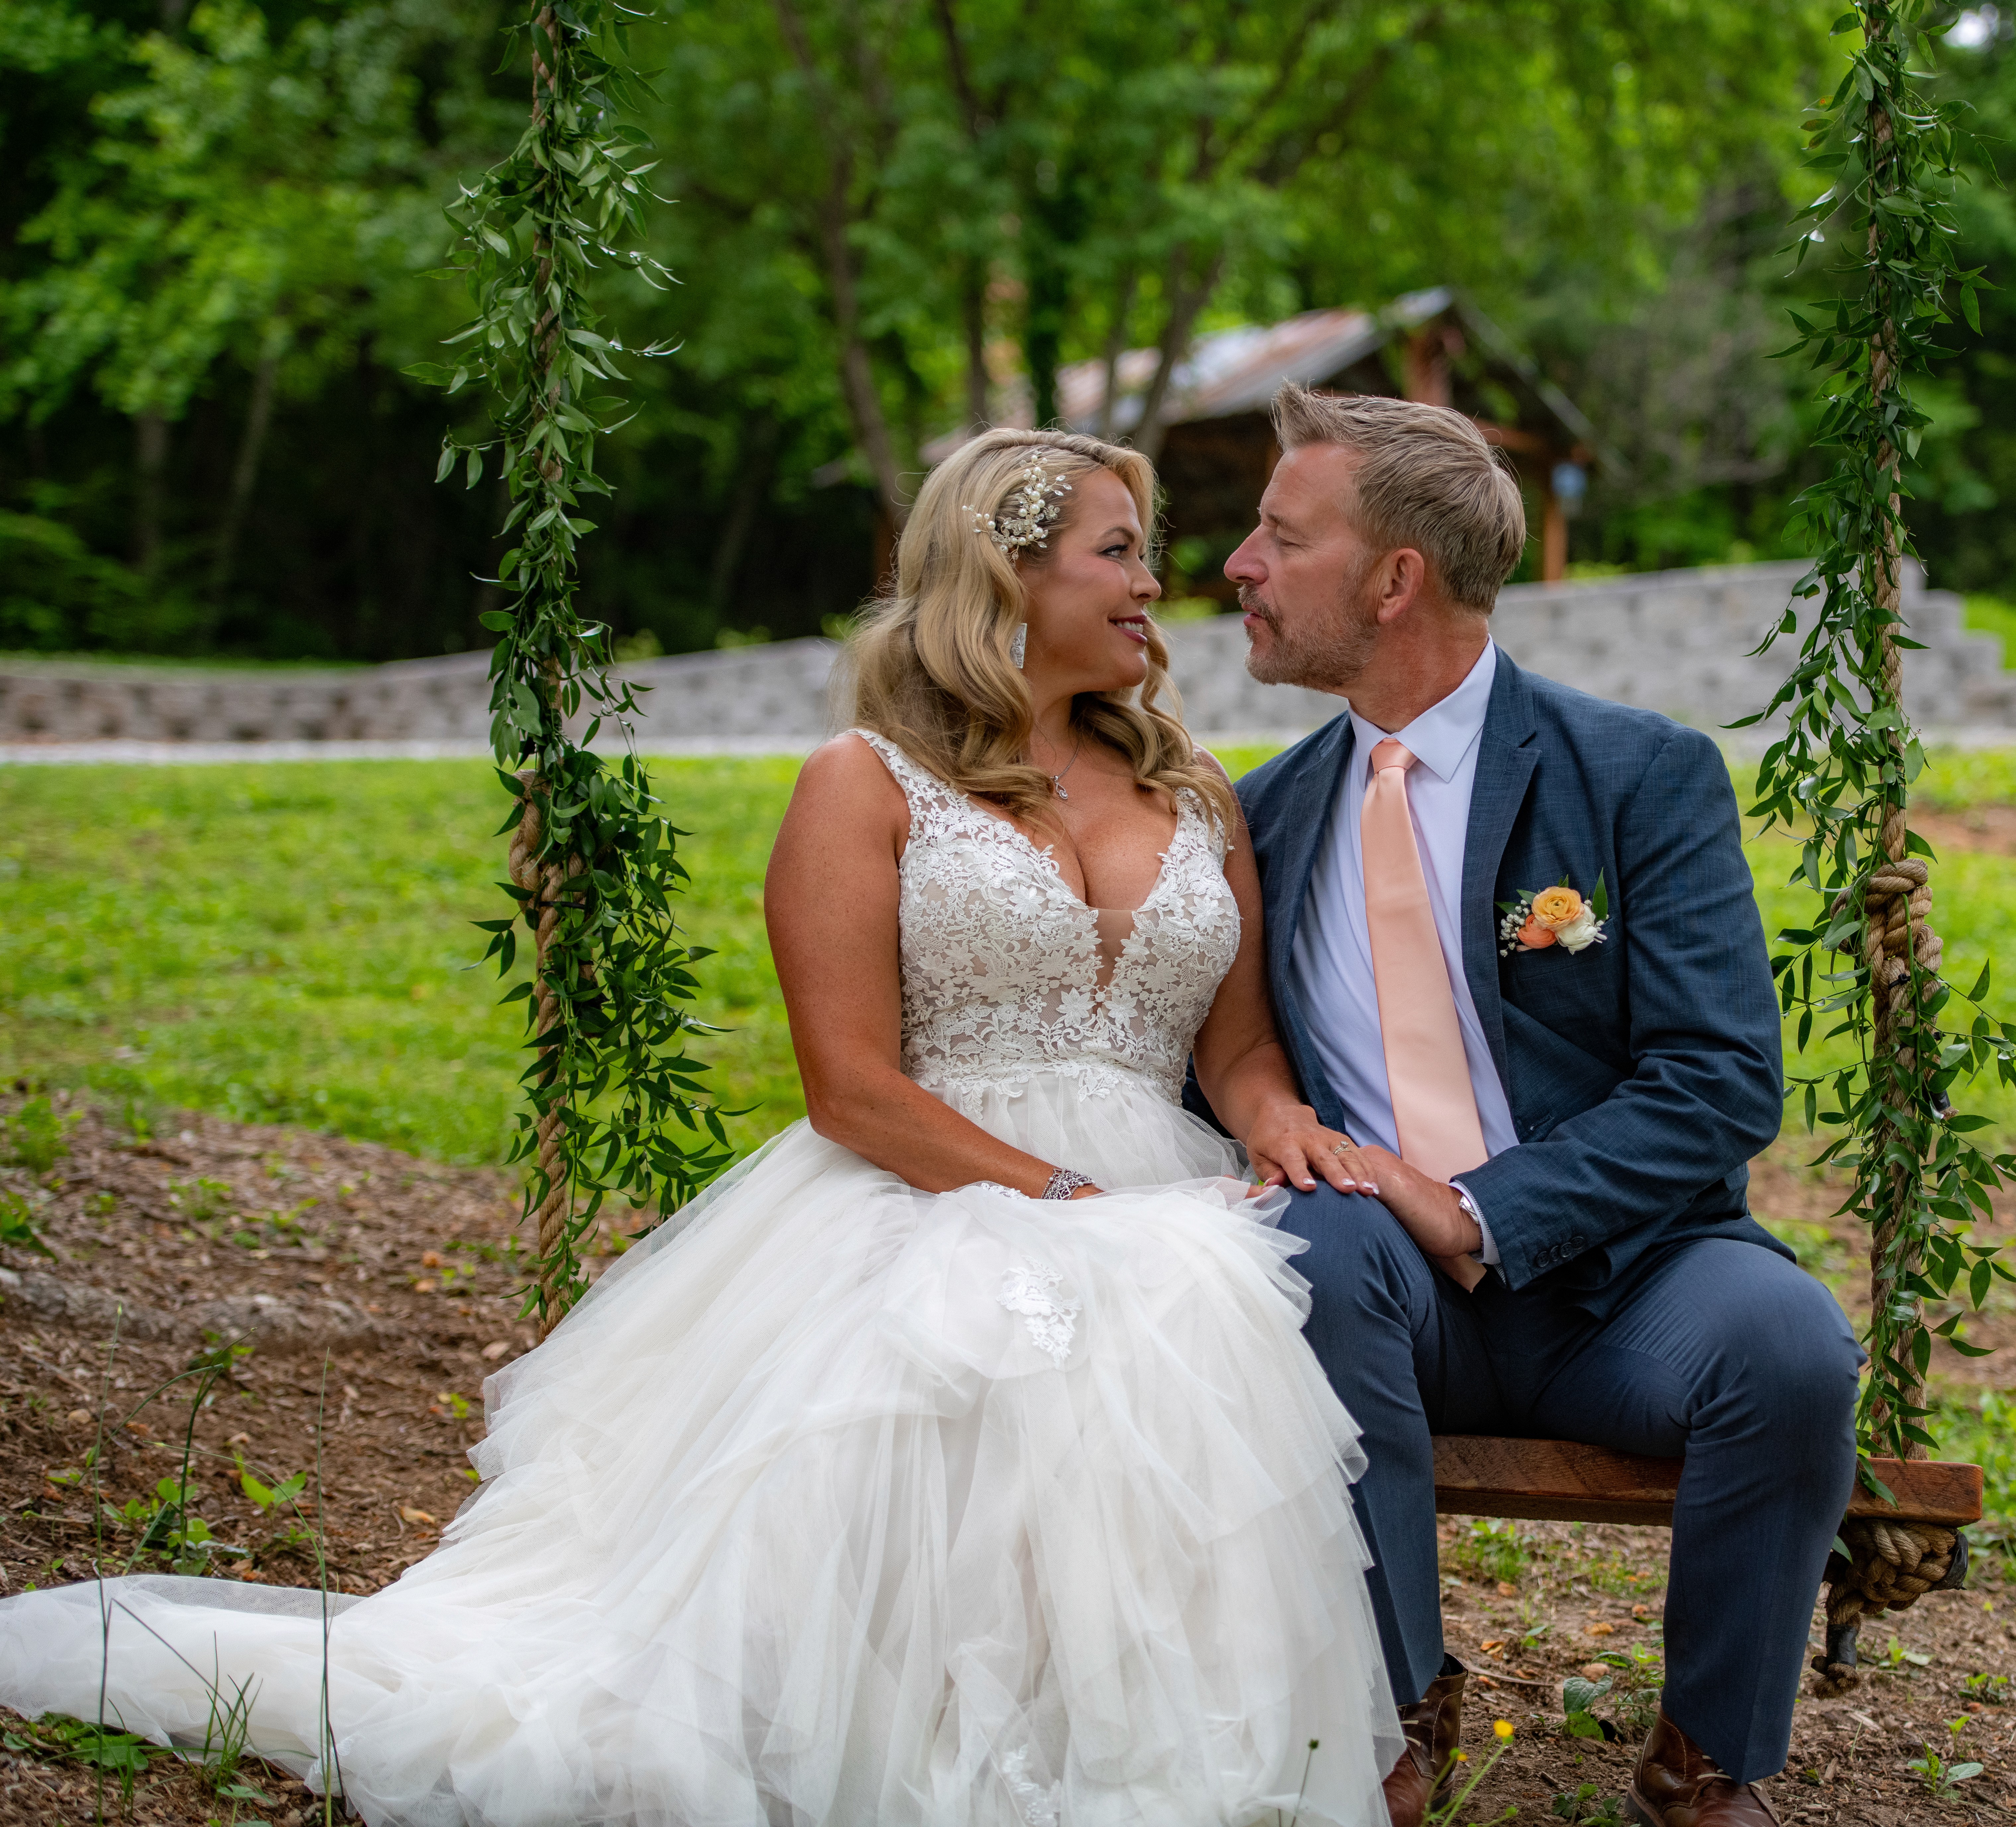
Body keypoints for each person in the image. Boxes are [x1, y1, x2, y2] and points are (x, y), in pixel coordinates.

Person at [0, 429, 1403, 1826]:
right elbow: (850, 1086)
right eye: (1117, 551)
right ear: (1004, 572)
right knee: (1007, 1328)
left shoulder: (1198, 786)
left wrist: (1283, 1132)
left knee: (1196, 1302)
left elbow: (1237, 1048)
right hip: (922, 1183)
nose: (1154, 583)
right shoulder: (864, 781)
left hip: (1166, 1192)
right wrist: (1075, 1203)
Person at [1222, 386, 1861, 1827]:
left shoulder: (1638, 773)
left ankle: (1707, 1759)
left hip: (1627, 1283)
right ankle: (1390, 1714)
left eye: (1279, 534)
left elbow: (1720, 1076)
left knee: (1794, 1350)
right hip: (1381, 1292)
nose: (1239, 567)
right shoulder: (1257, 817)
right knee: (1311, 1252)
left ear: (1396, 579)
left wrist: (1480, 1209)